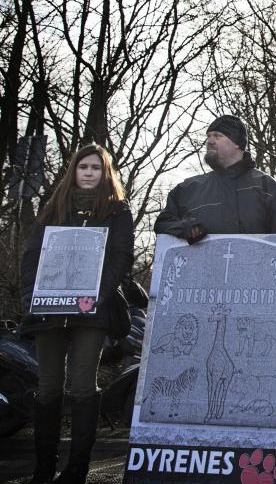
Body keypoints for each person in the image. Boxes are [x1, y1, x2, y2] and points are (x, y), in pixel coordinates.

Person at [19, 144, 134, 484]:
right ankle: (43, 469)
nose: (88, 172)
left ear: (105, 173)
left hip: (92, 311)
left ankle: (76, 470)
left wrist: (97, 295)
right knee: (48, 387)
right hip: (48, 310)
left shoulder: (117, 210)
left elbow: (121, 257)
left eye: (96, 168)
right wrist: (30, 295)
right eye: (83, 166)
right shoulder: (55, 207)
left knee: (83, 384)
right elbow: (32, 255)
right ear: (74, 171)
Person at [154, 114, 276, 239]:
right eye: (208, 136)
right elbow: (163, 223)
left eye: (217, 136)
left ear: (237, 143)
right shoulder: (188, 189)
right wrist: (184, 227)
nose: (210, 141)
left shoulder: (267, 188)